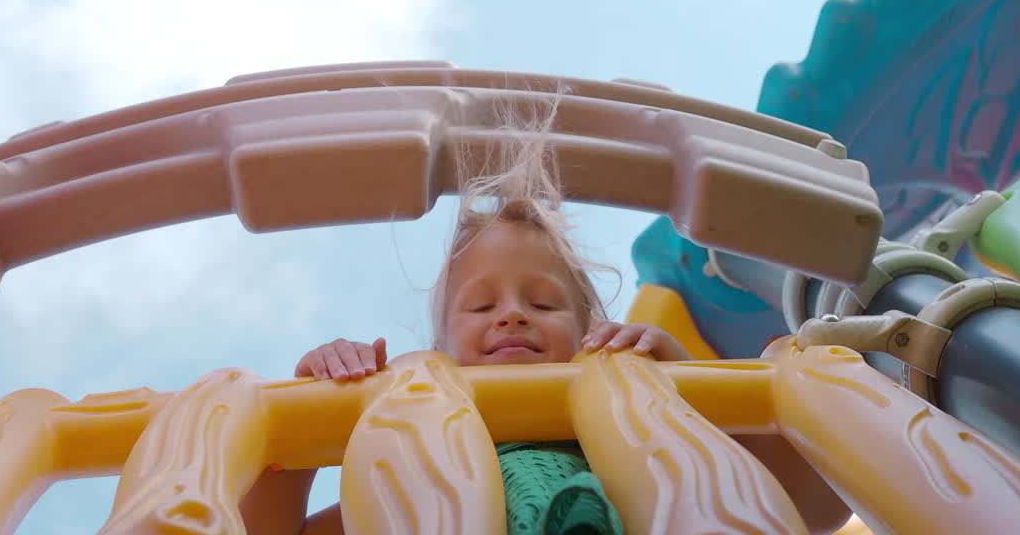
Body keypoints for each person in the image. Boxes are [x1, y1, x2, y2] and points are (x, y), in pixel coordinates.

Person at [239, 91, 852, 534]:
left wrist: (686, 389)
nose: (511, 316)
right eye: (481, 304)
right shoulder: (414, 465)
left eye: (543, 302)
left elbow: (818, 502)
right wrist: (308, 417)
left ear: (591, 334)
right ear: (442, 351)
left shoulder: (635, 433)